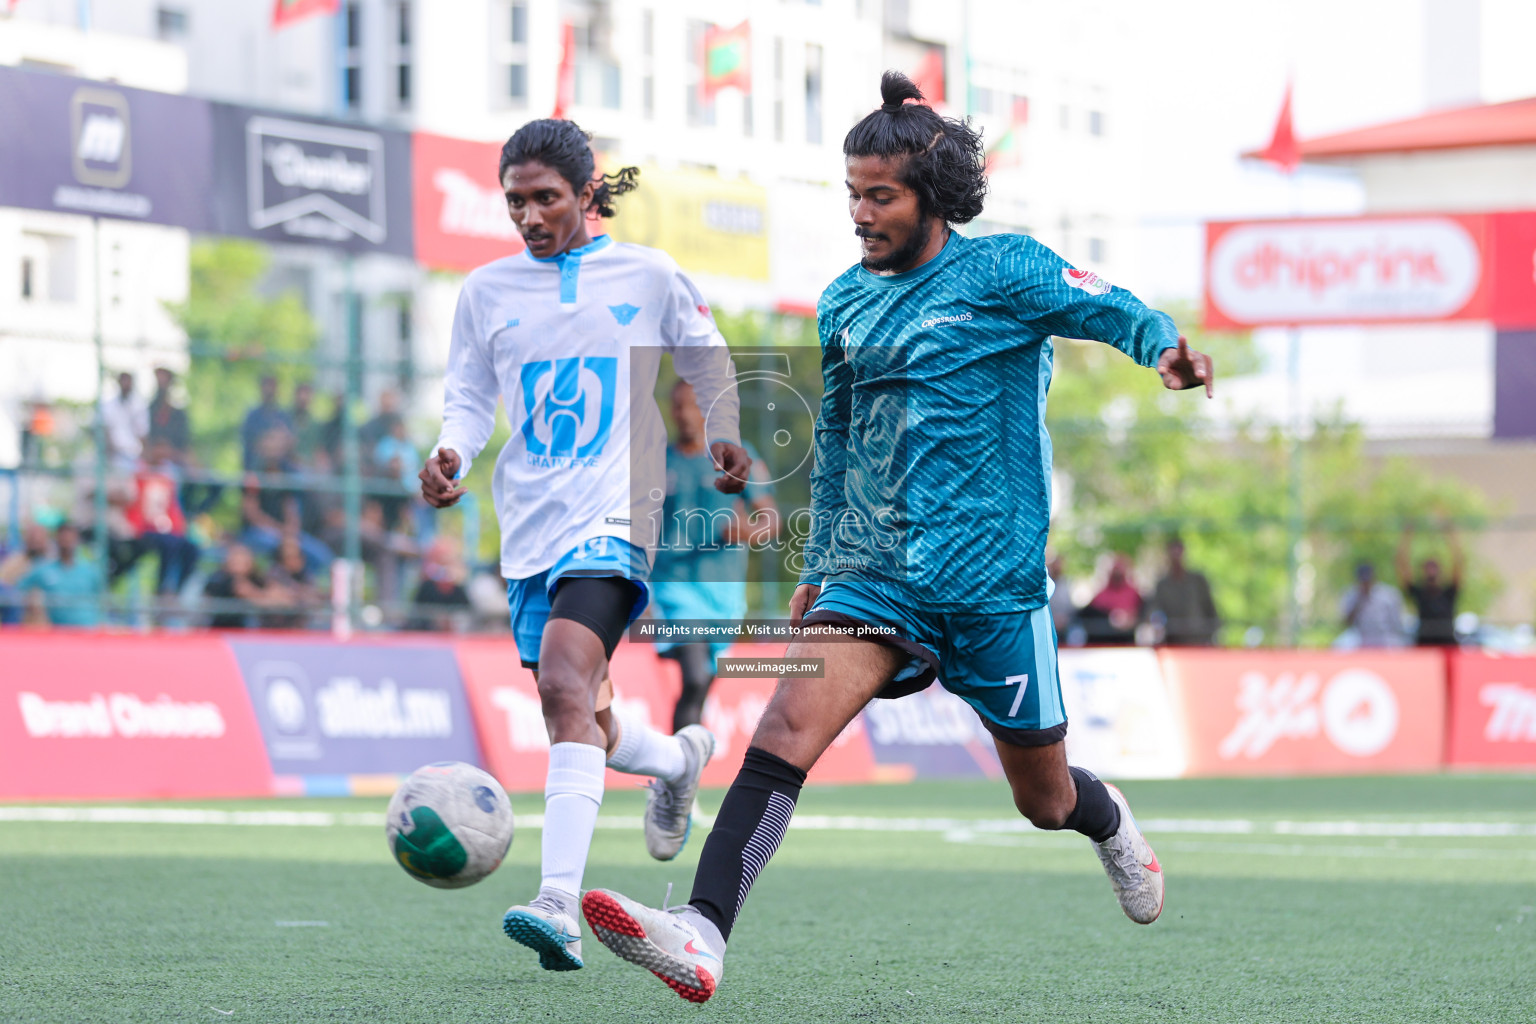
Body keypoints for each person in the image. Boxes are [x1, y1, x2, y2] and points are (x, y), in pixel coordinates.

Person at [578, 72, 1214, 1003]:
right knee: (783, 725)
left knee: (1044, 800)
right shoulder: (843, 301)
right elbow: (836, 441)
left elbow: (1110, 304)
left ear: (933, 198)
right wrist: (818, 562)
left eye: (881, 196)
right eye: (853, 194)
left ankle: (1108, 818)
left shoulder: (1005, 270)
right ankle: (703, 932)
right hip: (876, 575)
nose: (862, 214)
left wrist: (1163, 347)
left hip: (994, 583)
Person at [416, 117, 752, 973]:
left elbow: (706, 357)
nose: (528, 216)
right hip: (528, 526)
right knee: (580, 717)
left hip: (616, 513)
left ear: (587, 192)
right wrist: (450, 452)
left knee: (567, 678)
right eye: (515, 201)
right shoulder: (485, 292)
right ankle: (676, 760)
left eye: (545, 198)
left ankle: (557, 901)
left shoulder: (647, 273)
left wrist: (723, 429)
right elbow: (468, 398)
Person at [651, 380, 780, 731]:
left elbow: (771, 518)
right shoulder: (659, 460)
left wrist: (748, 531)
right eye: (679, 405)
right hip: (672, 585)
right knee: (693, 677)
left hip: (723, 593)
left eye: (694, 405)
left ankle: (679, 769)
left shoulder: (735, 456)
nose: (685, 414)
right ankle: (675, 779)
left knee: (702, 684)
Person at [19, 522, 103, 627]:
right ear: (57, 540)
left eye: (70, 539)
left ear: (77, 541)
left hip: (88, 630)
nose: (67, 542)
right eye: (64, 539)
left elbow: (102, 601)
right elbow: (19, 590)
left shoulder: (90, 571)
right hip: (59, 633)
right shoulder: (43, 569)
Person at [1397, 524, 1463, 646]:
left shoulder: (1449, 593)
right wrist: (1407, 535)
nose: (1431, 570)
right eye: (1428, 566)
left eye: (1434, 566)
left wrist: (1449, 531)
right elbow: (1401, 563)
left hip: (1448, 646)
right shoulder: (1419, 593)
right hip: (1424, 646)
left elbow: (1459, 561)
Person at [1148, 537, 1219, 646]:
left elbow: (1210, 608)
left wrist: (1212, 634)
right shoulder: (1162, 585)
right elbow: (1156, 611)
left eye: (1178, 553)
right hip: (1173, 640)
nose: (1176, 557)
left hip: (1198, 638)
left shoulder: (1197, 581)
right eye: (1173, 553)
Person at [1340, 563, 1406, 647]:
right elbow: (1346, 622)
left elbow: (1397, 621)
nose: (1366, 584)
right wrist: (1360, 600)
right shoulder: (1351, 595)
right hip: (1361, 638)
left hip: (1386, 638)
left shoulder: (1389, 594)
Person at [1082, 554, 1143, 646]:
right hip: (1104, 640)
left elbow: (1140, 612)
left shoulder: (1133, 593)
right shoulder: (1102, 594)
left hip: (1126, 639)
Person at [241, 375, 294, 471]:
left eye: (272, 386)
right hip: (257, 465)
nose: (269, 390)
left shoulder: (283, 415)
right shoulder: (253, 416)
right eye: (267, 386)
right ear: (261, 388)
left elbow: (289, 441)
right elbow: (252, 443)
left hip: (281, 466)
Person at [100, 371, 148, 472]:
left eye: (128, 381)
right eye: (123, 381)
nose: (126, 384)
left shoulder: (139, 405)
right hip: (115, 456)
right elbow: (106, 431)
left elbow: (142, 433)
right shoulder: (109, 406)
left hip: (135, 455)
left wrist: (144, 455)